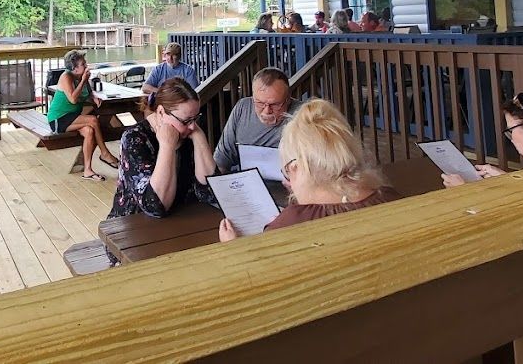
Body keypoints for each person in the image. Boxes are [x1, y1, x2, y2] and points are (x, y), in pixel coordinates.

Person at [220, 99, 401, 240]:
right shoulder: (389, 196)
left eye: (287, 172)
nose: (288, 181)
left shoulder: (288, 225)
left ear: (297, 166)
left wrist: (235, 247)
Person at [108, 77, 217, 221]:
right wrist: (167, 146)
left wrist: (199, 137)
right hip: (133, 226)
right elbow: (156, 207)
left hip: (181, 221)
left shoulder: (189, 133)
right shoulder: (134, 138)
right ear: (160, 113)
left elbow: (211, 193)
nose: (191, 126)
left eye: (195, 119)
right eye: (186, 121)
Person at [48, 49, 120, 181]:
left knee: (89, 131)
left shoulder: (83, 76)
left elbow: (88, 92)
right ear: (74, 68)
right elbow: (73, 99)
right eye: (83, 64)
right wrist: (83, 80)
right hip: (59, 118)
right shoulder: (66, 77)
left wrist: (93, 97)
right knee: (93, 120)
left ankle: (87, 170)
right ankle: (105, 153)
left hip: (74, 116)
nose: (86, 66)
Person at [213, 67, 302, 172]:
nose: (267, 111)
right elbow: (222, 160)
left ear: (288, 99)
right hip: (247, 183)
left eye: (275, 104)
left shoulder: (303, 115)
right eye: (260, 103)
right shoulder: (243, 108)